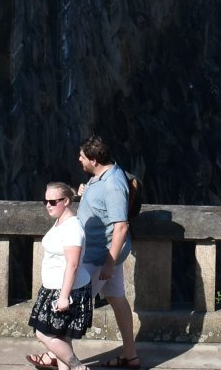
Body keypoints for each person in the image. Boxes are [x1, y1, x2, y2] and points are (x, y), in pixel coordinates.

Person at [77, 137, 141, 368]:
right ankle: (130, 355)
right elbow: (101, 204)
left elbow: (120, 225)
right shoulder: (102, 176)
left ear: (94, 160)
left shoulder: (113, 184)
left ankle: (59, 355)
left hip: (99, 255)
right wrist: (85, 192)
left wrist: (108, 262)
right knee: (117, 299)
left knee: (73, 302)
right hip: (103, 253)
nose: (79, 160)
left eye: (82, 157)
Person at [30, 180, 93, 370]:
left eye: (53, 202)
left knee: (43, 334)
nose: (48, 206)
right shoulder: (60, 222)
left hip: (66, 290)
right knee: (62, 337)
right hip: (54, 287)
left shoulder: (72, 228)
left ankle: (78, 367)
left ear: (66, 201)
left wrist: (64, 297)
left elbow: (72, 265)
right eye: (45, 201)